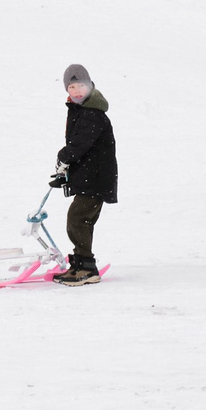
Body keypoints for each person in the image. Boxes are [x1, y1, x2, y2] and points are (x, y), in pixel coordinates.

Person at [52, 64, 117, 285]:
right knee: (81, 220)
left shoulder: (92, 114)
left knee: (78, 219)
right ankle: (80, 265)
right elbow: (84, 151)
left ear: (90, 86)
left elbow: (79, 145)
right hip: (90, 177)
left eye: (80, 86)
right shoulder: (82, 110)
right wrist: (66, 174)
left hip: (96, 179)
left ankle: (86, 268)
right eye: (72, 87)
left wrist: (64, 157)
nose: (77, 91)